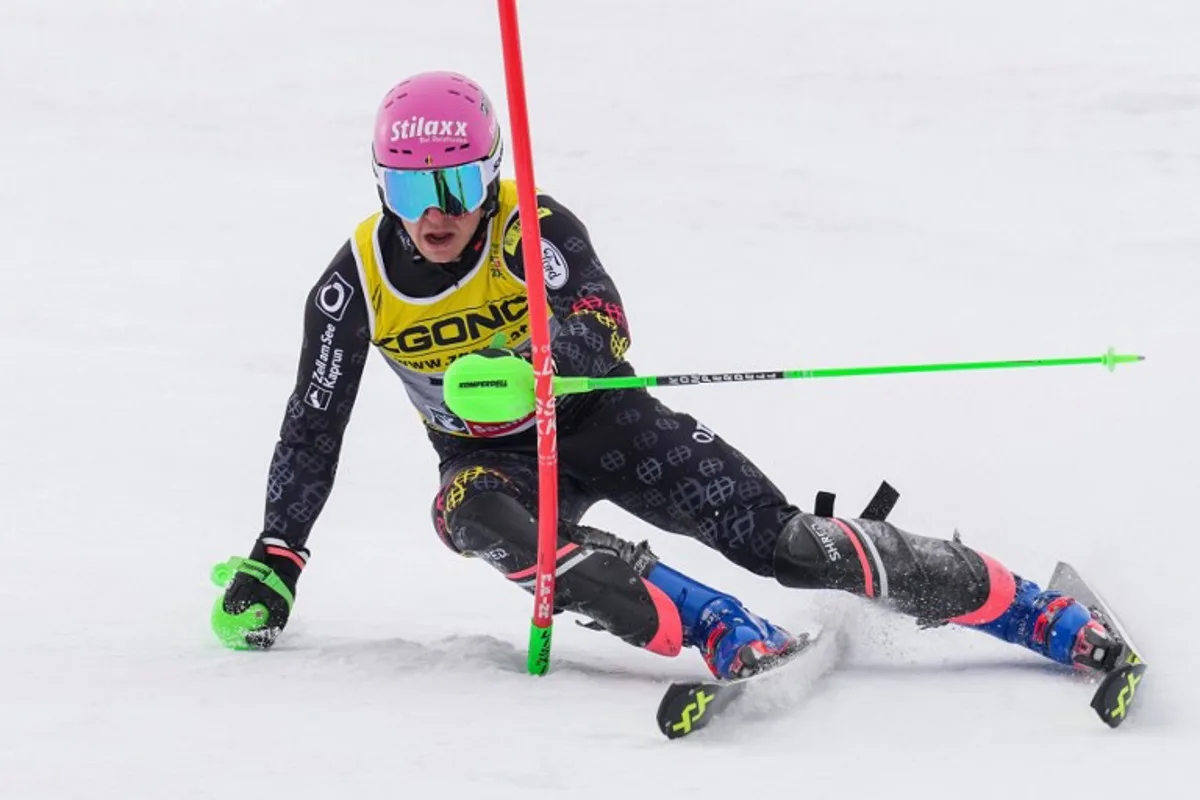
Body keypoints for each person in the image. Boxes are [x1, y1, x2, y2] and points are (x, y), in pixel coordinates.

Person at [211, 70, 1127, 681]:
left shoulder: (534, 226)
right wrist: (277, 558)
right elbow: (312, 423)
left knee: (793, 548)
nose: (438, 213)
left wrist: (535, 361)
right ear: (382, 187)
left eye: (456, 185)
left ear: (490, 175)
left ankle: (1035, 615)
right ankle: (723, 628)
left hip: (608, 424)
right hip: (496, 464)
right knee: (474, 518)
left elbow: (605, 327)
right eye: (414, 191)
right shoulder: (356, 283)